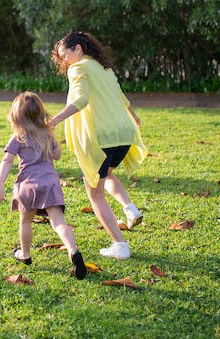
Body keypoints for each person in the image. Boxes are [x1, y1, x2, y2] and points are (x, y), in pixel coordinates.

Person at [48, 32, 148, 260]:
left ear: (79, 49)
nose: (64, 62)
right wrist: (134, 116)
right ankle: (130, 209)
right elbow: (121, 96)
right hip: (123, 134)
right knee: (106, 174)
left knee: (95, 192)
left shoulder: (78, 68)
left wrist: (55, 119)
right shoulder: (104, 68)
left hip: (102, 138)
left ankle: (120, 245)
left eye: (65, 55)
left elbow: (81, 99)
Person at [0, 92, 87, 280]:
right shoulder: (46, 135)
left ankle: (25, 255)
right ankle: (72, 250)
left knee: (25, 221)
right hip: (50, 183)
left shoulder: (18, 137)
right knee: (58, 222)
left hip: (27, 185)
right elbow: (58, 155)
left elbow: (6, 160)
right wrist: (52, 138)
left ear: (16, 117)